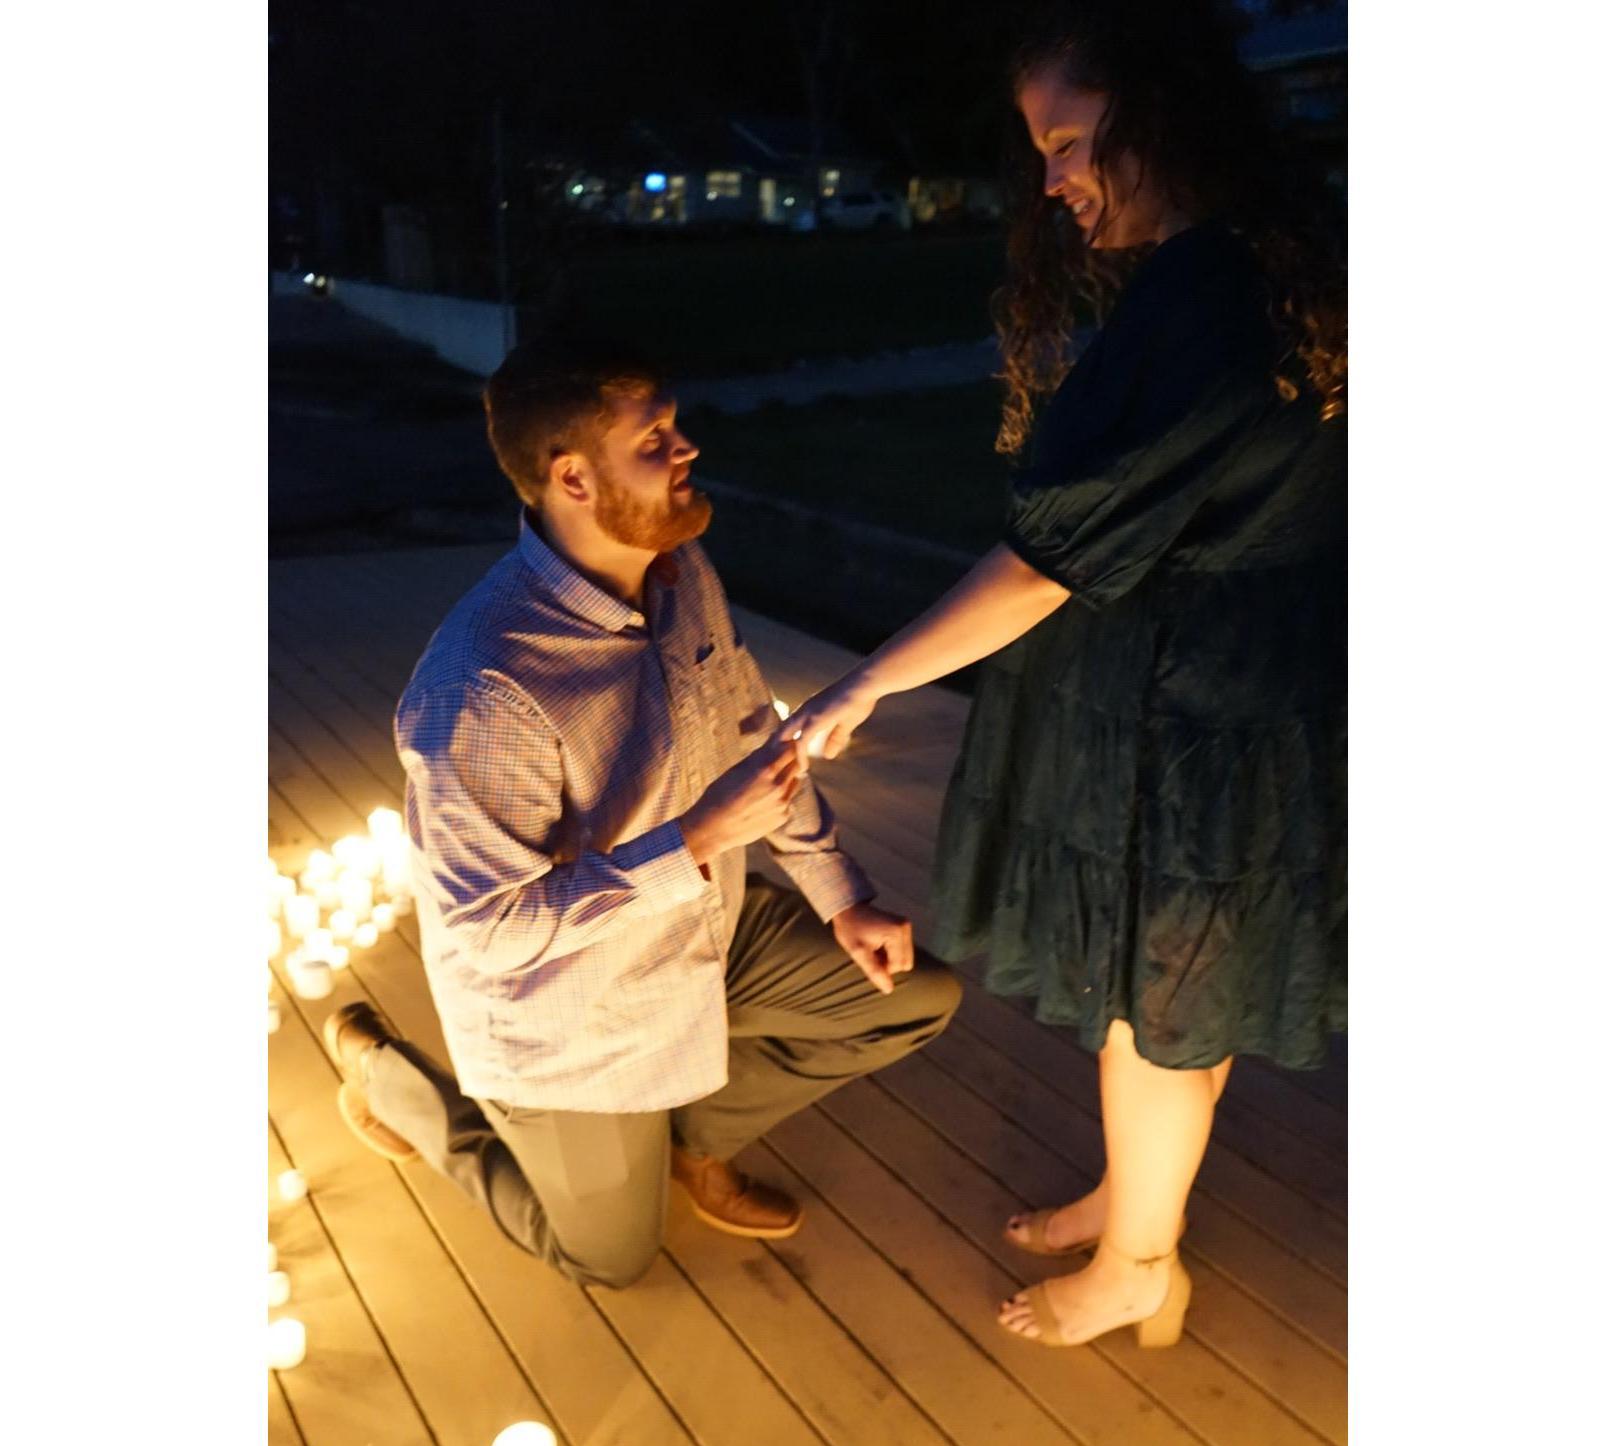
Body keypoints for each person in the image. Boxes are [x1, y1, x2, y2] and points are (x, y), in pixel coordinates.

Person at [786, 0, 1345, 1351]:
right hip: (1235, 692)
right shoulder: (1280, 259)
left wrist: (861, 686)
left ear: (1160, 118)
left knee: (1154, 1001)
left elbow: (1047, 558)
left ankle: (1141, 1264)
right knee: (1164, 987)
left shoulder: (1207, 293)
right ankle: (1126, 1197)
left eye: (1070, 141)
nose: (1050, 180)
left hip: (1187, 712)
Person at [324, 339, 961, 1290]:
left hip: (701, 936)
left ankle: (695, 1135)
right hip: (576, 1013)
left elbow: (751, 727)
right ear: (572, 476)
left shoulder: (680, 568)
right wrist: (700, 836)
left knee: (914, 999)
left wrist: (839, 896)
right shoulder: (487, 686)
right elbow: (493, 932)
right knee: (609, 1255)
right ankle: (386, 1076)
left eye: (673, 423)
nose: (686, 447)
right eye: (654, 437)